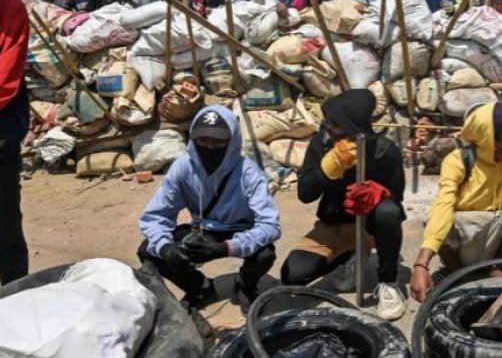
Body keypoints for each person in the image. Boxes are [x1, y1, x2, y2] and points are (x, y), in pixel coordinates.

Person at [409, 102, 502, 304]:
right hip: (463, 235)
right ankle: (457, 273)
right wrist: (422, 264)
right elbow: (443, 204)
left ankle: (493, 266)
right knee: (436, 221)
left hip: (497, 231)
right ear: (490, 138)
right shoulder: (458, 160)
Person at [280, 90, 406, 321]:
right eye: (326, 121)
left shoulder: (384, 150)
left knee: (387, 212)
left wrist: (380, 193)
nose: (328, 127)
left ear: (354, 125)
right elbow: (305, 194)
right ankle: (352, 255)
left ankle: (388, 281)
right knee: (294, 275)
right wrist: (329, 168)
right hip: (335, 224)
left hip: (370, 225)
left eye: (335, 124)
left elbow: (397, 200)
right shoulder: (321, 144)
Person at [138, 106, 280, 308]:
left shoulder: (249, 173)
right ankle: (200, 287)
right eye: (203, 140)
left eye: (218, 141)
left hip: (240, 229)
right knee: (149, 251)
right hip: (203, 229)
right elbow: (156, 215)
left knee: (264, 255)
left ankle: (246, 285)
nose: (210, 147)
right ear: (193, 139)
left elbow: (270, 226)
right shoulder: (183, 167)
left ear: (232, 141)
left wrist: (225, 248)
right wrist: (166, 247)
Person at [0, 0, 29, 285]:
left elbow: (5, 79)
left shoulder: (10, 10)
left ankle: (14, 293)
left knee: (5, 225)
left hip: (2, 132)